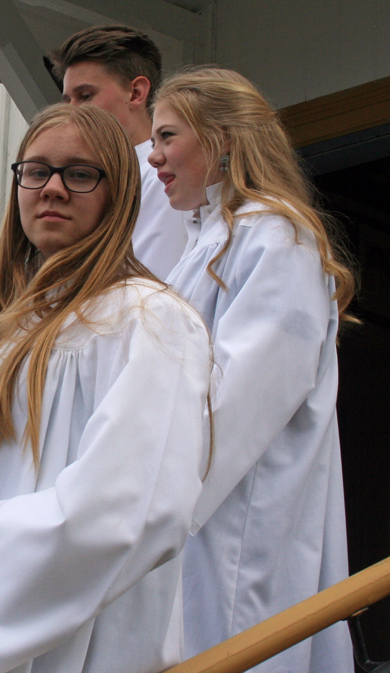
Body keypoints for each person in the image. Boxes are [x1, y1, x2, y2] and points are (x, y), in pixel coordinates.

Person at [0, 103, 212, 673]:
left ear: (118, 192)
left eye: (79, 174)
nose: (51, 188)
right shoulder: (1, 335)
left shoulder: (145, 318)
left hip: (71, 646)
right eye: (36, 171)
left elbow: (134, 503)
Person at [149, 66, 355, 671]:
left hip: (239, 517)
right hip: (193, 514)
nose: (155, 157)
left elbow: (240, 404)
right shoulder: (205, 242)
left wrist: (140, 499)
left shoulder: (276, 238)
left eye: (167, 137)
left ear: (223, 138)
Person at [51, 24, 187, 280]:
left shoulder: (164, 180)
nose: (72, 112)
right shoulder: (81, 180)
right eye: (67, 100)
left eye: (86, 96)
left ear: (136, 93)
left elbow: (151, 288)